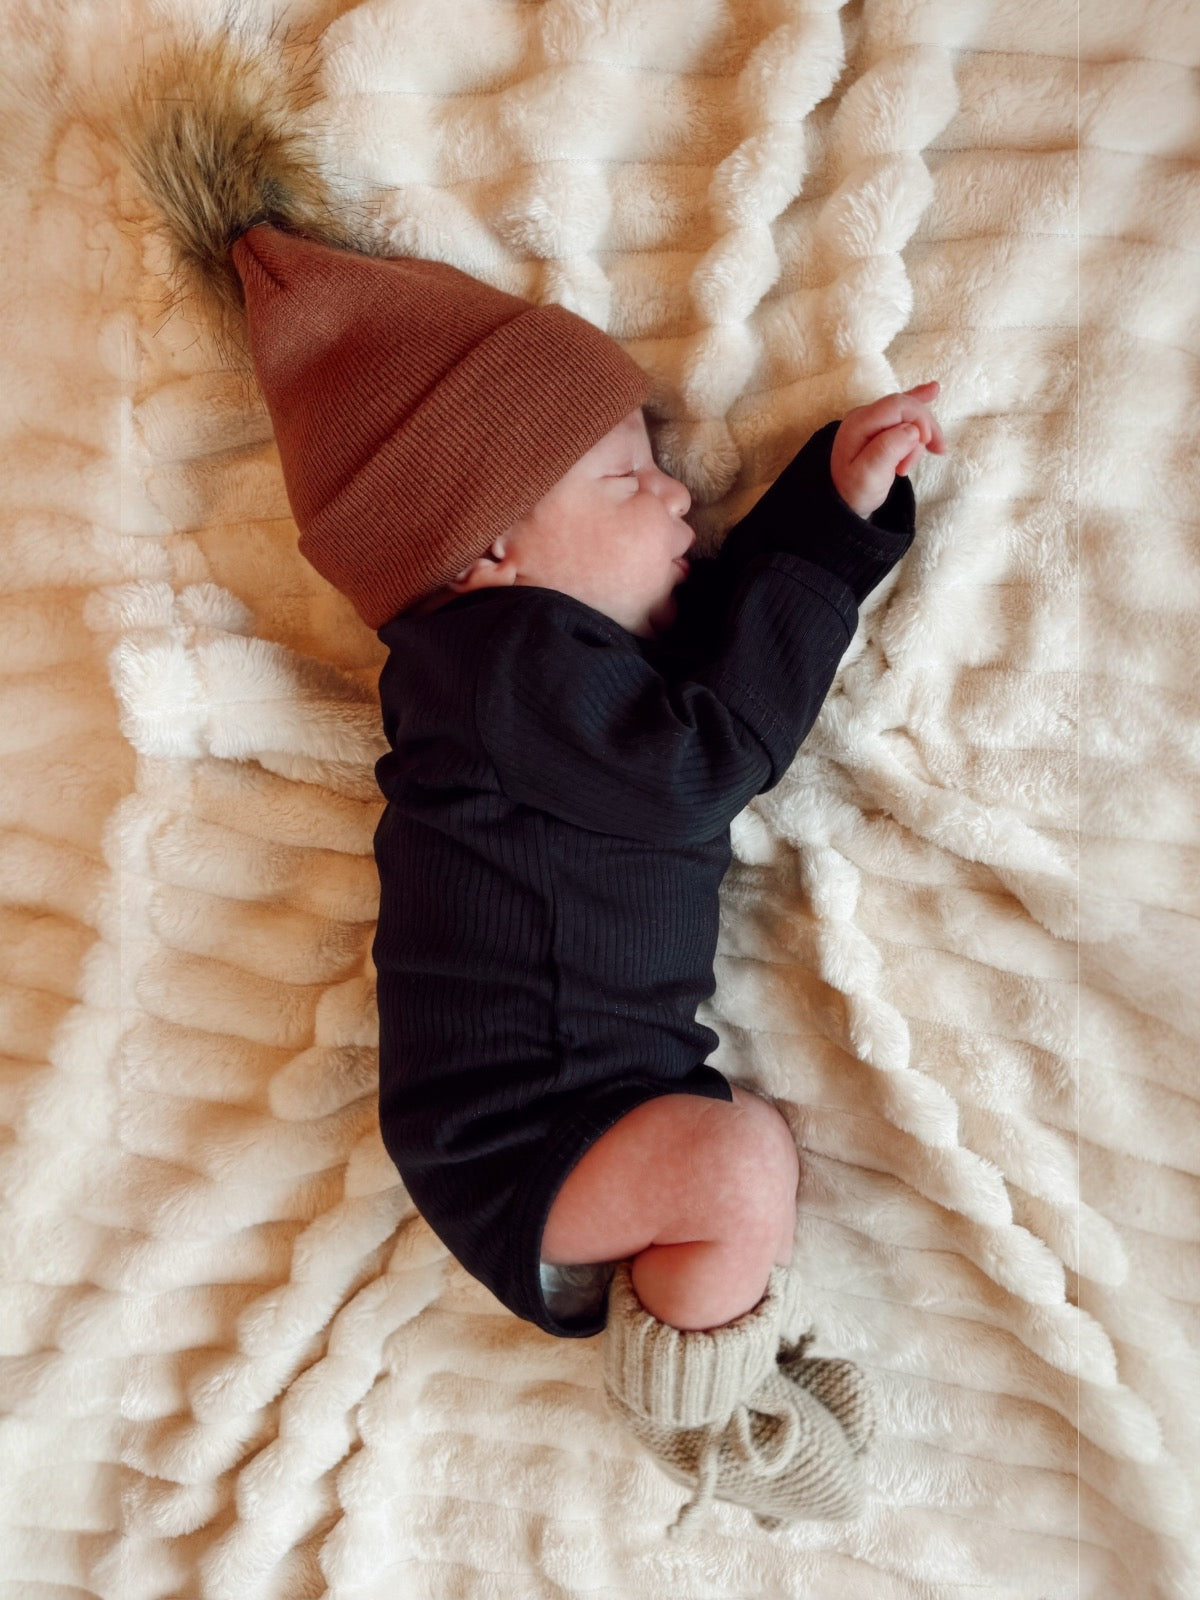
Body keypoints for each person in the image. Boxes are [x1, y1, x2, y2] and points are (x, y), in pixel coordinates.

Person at [118, 47, 944, 1536]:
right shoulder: (495, 668)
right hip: (528, 1131)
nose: (680, 493)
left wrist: (825, 515)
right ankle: (702, 1400)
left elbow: (698, 685)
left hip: (557, 1109)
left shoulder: (532, 664)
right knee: (740, 1164)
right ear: (488, 549)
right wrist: (819, 545)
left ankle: (710, 1372)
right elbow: (708, 755)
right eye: (633, 480)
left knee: (738, 1166)